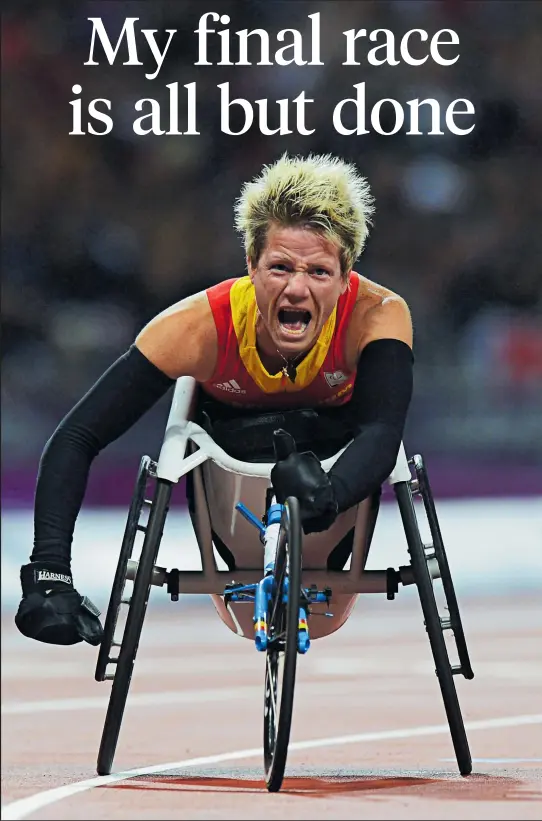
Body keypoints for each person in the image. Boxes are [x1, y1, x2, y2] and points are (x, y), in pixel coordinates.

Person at [15, 153, 414, 648]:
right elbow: (78, 435)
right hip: (226, 477)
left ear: (346, 275)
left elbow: (383, 430)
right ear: (250, 266)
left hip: (335, 484)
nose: (296, 287)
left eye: (318, 271)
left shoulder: (379, 314)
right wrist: (50, 569)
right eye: (280, 267)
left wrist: (331, 493)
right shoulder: (195, 327)